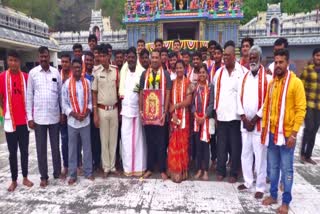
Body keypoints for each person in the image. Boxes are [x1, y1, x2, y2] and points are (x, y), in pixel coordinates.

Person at [261, 49, 306, 214]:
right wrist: (265, 129)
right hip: (272, 133)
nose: (278, 65)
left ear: (287, 63)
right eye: (276, 62)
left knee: (286, 169)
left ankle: (286, 201)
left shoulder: (296, 83)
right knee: (273, 167)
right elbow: (267, 107)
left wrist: (294, 133)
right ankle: (273, 195)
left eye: (281, 62)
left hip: (287, 135)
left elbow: (301, 110)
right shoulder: (272, 84)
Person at [237, 45, 270, 199]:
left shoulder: (268, 79)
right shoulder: (244, 77)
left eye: (254, 57)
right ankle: (248, 181)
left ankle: (260, 187)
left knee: (260, 155)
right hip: (245, 124)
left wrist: (255, 118)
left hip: (259, 124)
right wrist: (243, 117)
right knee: (246, 154)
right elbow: (238, 98)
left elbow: (267, 102)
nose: (252, 60)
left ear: (260, 58)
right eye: (250, 57)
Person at [27, 46, 62, 188]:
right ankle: (43, 177)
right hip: (39, 118)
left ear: (49, 57)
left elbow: (60, 95)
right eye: (41, 57)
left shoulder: (56, 73)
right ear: (38, 57)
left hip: (54, 117)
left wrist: (61, 113)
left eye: (46, 56)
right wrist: (29, 117)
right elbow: (29, 97)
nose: (43, 59)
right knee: (41, 149)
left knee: (55, 147)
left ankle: (57, 173)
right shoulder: (33, 73)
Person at [0, 50, 33, 192]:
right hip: (10, 122)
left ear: (19, 62)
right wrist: (4, 113)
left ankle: (25, 177)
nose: (13, 63)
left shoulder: (25, 77)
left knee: (24, 151)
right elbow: (1, 99)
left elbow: (30, 98)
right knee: (12, 153)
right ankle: (14, 180)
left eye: (15, 60)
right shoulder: (2, 77)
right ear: (8, 61)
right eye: (11, 60)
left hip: (23, 121)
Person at [214, 41, 245, 183]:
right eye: (224, 55)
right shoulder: (218, 73)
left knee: (235, 147)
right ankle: (220, 171)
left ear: (234, 56)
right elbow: (215, 94)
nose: (224, 58)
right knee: (221, 146)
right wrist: (215, 112)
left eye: (227, 55)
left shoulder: (243, 72)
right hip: (221, 116)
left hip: (236, 117)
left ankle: (233, 172)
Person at [139, 50, 172, 180]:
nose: (154, 60)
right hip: (148, 114)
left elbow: (168, 93)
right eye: (152, 57)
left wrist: (165, 112)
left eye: (156, 57)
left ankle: (162, 169)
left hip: (161, 115)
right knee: (149, 141)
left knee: (161, 142)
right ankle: (149, 168)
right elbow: (141, 93)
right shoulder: (144, 75)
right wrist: (141, 111)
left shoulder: (165, 74)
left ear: (160, 59)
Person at [62, 58, 94, 185]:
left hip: (85, 121)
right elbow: (64, 103)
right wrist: (74, 114)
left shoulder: (87, 82)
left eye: (79, 67)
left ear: (82, 68)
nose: (77, 69)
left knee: (87, 148)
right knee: (72, 149)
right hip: (72, 122)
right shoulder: (67, 84)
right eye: (75, 67)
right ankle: (73, 174)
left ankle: (88, 172)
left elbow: (90, 102)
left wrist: (86, 112)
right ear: (71, 68)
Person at [92, 44, 119, 177]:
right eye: (100, 56)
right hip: (102, 110)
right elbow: (94, 93)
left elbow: (119, 90)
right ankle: (106, 167)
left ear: (109, 56)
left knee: (113, 139)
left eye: (105, 56)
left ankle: (113, 166)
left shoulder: (116, 70)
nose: (102, 58)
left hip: (114, 109)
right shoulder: (96, 72)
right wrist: (95, 113)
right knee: (104, 140)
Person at [119, 47, 147, 176]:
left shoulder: (142, 73)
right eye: (129, 57)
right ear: (126, 58)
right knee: (126, 140)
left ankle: (139, 168)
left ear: (136, 59)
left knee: (138, 141)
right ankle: (128, 169)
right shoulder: (123, 71)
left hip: (137, 111)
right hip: (125, 111)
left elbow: (142, 91)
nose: (131, 59)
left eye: (133, 57)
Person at [167, 60, 192, 183]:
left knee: (183, 143)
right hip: (174, 118)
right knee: (173, 143)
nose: (179, 70)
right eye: (177, 68)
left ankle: (182, 170)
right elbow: (169, 102)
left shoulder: (189, 83)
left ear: (185, 68)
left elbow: (188, 101)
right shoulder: (171, 83)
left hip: (184, 118)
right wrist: (173, 113)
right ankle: (173, 170)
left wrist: (176, 106)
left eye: (181, 67)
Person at [193, 64, 214, 181]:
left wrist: (204, 116)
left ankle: (205, 170)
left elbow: (211, 104)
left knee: (206, 146)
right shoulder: (195, 87)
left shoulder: (210, 87)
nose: (201, 74)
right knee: (198, 146)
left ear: (207, 74)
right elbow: (191, 105)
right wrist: (196, 116)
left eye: (203, 72)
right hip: (197, 121)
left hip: (205, 120)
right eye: (200, 72)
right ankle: (199, 170)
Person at [300, 48, 320, 165]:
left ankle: (308, 155)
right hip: (309, 105)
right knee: (308, 129)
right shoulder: (307, 71)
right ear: (313, 57)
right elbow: (301, 89)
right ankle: (302, 154)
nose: (319, 58)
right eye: (317, 55)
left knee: (314, 131)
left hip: (319, 107)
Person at [83, 52, 102, 172]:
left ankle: (97, 162)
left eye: (91, 60)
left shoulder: (96, 74)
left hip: (96, 111)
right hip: (85, 113)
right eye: (87, 60)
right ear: (85, 61)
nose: (89, 62)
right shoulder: (81, 76)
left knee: (97, 139)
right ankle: (88, 164)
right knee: (87, 140)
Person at [60, 53, 72, 178]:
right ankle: (66, 165)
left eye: (66, 62)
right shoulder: (58, 76)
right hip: (62, 114)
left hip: (74, 113)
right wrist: (61, 113)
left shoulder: (75, 76)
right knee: (64, 140)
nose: (64, 64)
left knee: (75, 141)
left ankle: (77, 163)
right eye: (62, 62)